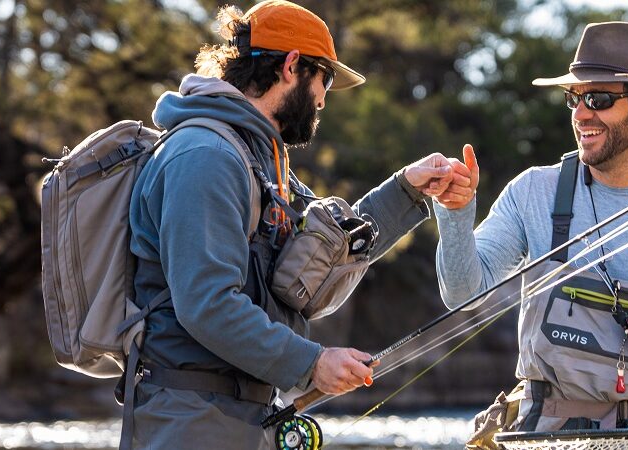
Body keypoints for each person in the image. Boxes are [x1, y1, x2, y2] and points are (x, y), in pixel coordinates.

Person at [125, 1, 456, 448]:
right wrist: (313, 363)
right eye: (326, 79)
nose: (323, 99)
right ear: (292, 66)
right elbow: (207, 304)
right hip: (192, 420)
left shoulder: (254, 158)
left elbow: (318, 256)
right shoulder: (205, 158)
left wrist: (408, 191)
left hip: (240, 414)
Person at [433, 22, 628, 450]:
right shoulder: (532, 192)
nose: (581, 113)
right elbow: (462, 293)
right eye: (575, 98)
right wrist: (456, 214)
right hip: (537, 436)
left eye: (599, 99)